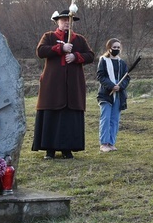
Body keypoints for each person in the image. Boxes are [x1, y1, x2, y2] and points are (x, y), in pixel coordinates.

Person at [32, 9, 95, 160]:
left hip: (72, 86)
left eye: (69, 20)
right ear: (57, 21)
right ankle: (49, 150)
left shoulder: (79, 39)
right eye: (64, 20)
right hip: (52, 85)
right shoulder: (49, 36)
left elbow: (90, 55)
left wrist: (75, 56)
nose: (67, 22)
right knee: (51, 115)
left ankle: (68, 149)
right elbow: (40, 51)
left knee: (69, 117)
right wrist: (60, 48)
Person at [97, 38, 130, 153]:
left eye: (118, 47)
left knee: (114, 119)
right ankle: (104, 143)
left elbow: (126, 78)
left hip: (119, 95)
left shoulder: (122, 63)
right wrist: (111, 86)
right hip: (106, 93)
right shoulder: (103, 60)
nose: (116, 49)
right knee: (105, 118)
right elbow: (101, 76)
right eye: (114, 47)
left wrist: (120, 87)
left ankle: (111, 143)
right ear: (109, 48)